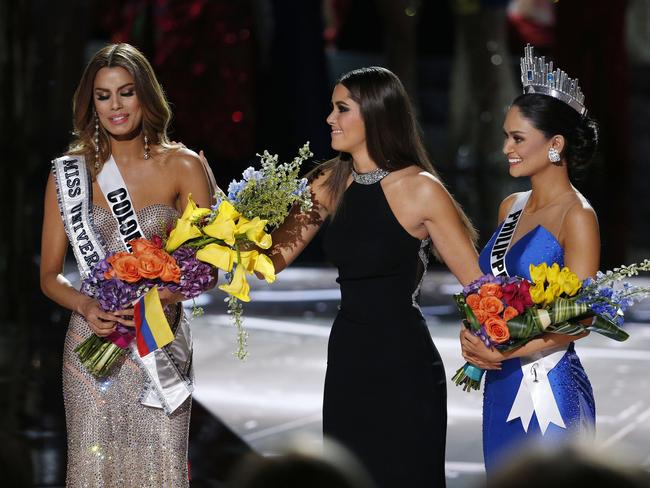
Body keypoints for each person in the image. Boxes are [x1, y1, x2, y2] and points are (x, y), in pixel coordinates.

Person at [267, 67, 482, 488]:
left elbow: (477, 284)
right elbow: (271, 260)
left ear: (376, 115)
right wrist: (213, 223)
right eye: (332, 108)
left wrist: (491, 340)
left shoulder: (422, 189)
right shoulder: (329, 182)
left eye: (342, 109)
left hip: (404, 363)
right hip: (349, 357)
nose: (330, 118)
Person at [40, 43, 214, 487]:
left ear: (146, 97)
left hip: (157, 343)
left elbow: (209, 264)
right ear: (91, 103)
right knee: (93, 471)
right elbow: (49, 275)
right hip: (93, 347)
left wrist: (164, 294)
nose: (115, 106)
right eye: (103, 95)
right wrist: (85, 306)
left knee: (161, 470)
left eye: (126, 92)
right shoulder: (70, 174)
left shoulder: (183, 165)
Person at [459, 45, 600, 473]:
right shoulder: (511, 206)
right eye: (506, 136)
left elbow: (581, 318)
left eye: (517, 138)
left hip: (548, 386)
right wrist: (475, 333)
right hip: (501, 383)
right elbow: (490, 291)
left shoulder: (578, 217)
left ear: (554, 144)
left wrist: (507, 350)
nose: (506, 148)